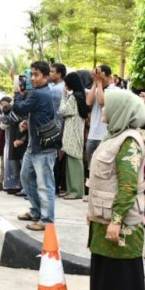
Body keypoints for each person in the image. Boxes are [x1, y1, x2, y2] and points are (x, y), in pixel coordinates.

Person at [86, 88, 145, 290]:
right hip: (103, 218)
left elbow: (127, 185)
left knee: (122, 276)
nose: (103, 114)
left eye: (107, 108)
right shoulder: (114, 137)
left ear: (121, 111)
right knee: (104, 272)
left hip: (121, 222)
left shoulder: (129, 143)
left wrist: (116, 220)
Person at [11, 61, 58, 232]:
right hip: (34, 146)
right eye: (32, 74)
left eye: (36, 74)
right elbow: (36, 114)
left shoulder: (40, 94)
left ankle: (47, 220)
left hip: (43, 148)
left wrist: (16, 92)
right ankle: (36, 211)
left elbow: (20, 108)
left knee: (45, 185)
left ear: (46, 77)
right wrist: (27, 123)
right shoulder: (40, 92)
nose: (33, 78)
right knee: (26, 178)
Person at [85, 64, 118, 195]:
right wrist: (95, 82)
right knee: (91, 165)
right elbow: (88, 102)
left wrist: (99, 82)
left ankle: (102, 192)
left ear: (109, 77)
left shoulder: (114, 90)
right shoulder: (97, 87)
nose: (99, 78)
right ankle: (92, 191)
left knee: (103, 166)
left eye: (101, 75)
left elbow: (101, 102)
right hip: (93, 134)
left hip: (104, 135)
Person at [59, 71, 87, 200]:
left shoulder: (73, 97)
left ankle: (76, 191)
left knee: (74, 161)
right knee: (71, 160)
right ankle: (71, 190)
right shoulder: (80, 96)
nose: (65, 85)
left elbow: (63, 111)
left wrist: (63, 97)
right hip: (76, 131)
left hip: (72, 132)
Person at [49, 62, 67, 195]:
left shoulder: (56, 89)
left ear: (59, 74)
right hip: (58, 127)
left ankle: (52, 187)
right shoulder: (59, 87)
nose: (49, 74)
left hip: (55, 128)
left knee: (52, 159)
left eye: (52, 72)